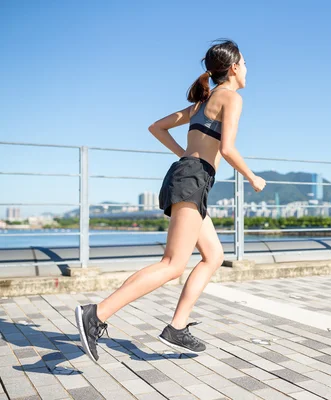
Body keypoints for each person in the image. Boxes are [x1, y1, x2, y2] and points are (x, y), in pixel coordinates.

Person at [75, 39, 266, 362]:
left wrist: (186, 156)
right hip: (192, 180)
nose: (248, 69)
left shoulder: (201, 103)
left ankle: (177, 327)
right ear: (233, 68)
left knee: (214, 255)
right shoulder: (231, 97)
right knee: (173, 264)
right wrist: (252, 177)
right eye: (245, 63)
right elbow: (228, 148)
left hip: (190, 177)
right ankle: (96, 314)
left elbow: (157, 127)